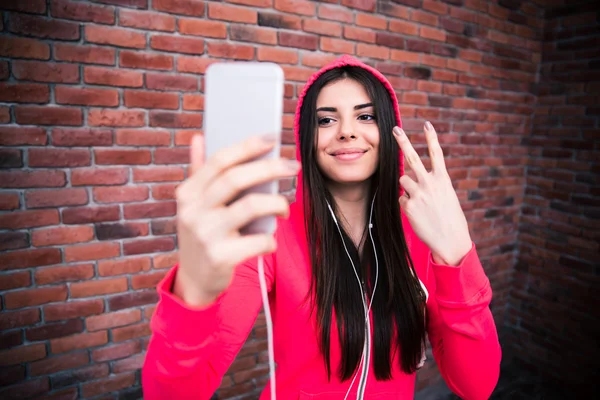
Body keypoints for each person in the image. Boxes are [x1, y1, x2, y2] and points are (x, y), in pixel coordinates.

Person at [142, 55, 501, 399]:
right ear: (306, 140)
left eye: (366, 117)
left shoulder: (424, 236)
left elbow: (476, 385)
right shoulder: (271, 233)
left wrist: (457, 254)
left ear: (389, 129)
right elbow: (174, 393)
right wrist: (193, 294)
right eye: (326, 120)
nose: (346, 132)